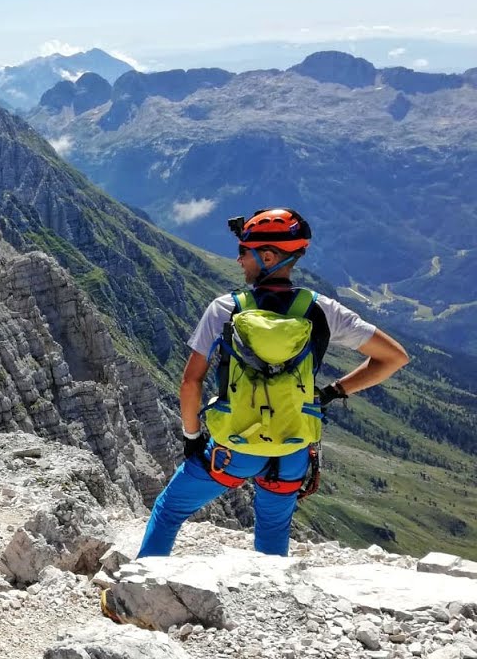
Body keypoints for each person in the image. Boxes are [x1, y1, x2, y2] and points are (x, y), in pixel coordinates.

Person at [137, 207, 409, 557]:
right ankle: (270, 602)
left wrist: (192, 438)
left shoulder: (225, 309)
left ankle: (136, 592)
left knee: (170, 509)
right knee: (272, 529)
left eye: (243, 252)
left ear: (267, 256)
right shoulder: (322, 310)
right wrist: (334, 391)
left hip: (232, 450)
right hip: (292, 451)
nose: (238, 261)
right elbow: (394, 357)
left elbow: (191, 383)